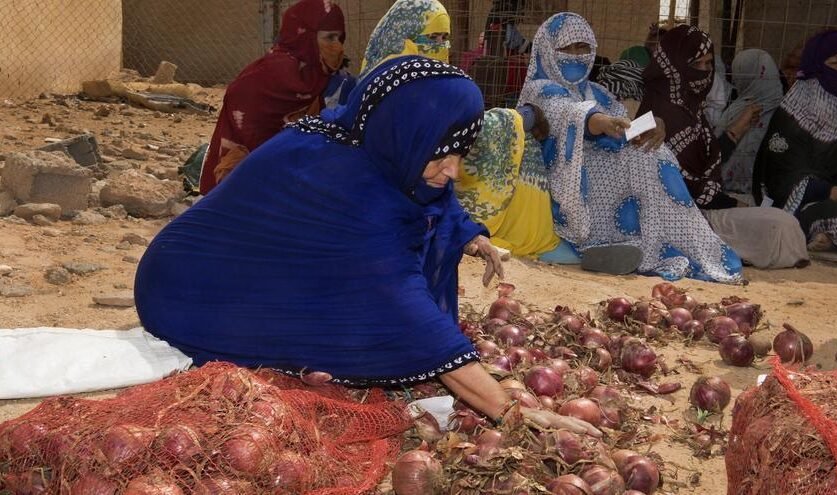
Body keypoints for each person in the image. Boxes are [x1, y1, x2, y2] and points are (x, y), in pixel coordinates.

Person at [134, 56, 600, 436]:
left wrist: (469, 236)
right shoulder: (349, 190)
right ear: (404, 132)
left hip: (251, 274)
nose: (454, 170)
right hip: (190, 294)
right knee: (368, 327)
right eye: (442, 152)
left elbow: (431, 198)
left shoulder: (368, 135)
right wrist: (508, 410)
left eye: (462, 153)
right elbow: (404, 310)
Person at [517, 13, 743, 282]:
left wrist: (653, 124)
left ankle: (664, 244)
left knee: (653, 153)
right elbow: (564, 112)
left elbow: (623, 127)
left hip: (600, 172)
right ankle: (601, 242)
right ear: (547, 50)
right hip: (560, 182)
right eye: (567, 48)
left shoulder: (595, 91)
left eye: (583, 47)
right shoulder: (539, 88)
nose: (576, 56)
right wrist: (599, 121)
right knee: (639, 160)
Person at [356, 0, 568, 263]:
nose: (441, 47)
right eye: (432, 38)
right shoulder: (388, 88)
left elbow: (459, 132)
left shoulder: (435, 82)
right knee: (514, 136)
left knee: (518, 143)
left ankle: (527, 237)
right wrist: (521, 117)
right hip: (394, 197)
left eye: (445, 39)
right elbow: (456, 132)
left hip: (436, 187)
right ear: (401, 38)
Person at [640, 25, 809, 269]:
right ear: (674, 64)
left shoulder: (690, 108)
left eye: (708, 65)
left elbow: (703, 166)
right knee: (779, 226)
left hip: (704, 207)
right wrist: (731, 203)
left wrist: (734, 133)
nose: (704, 73)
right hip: (679, 218)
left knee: (782, 222)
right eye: (696, 64)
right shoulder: (660, 113)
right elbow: (683, 185)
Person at [198, 0, 348, 194]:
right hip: (248, 174)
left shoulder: (325, 79)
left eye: (339, 39)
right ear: (305, 36)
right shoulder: (267, 77)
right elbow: (249, 137)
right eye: (329, 38)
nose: (337, 47)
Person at [754, 30, 837, 256]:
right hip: (801, 208)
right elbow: (781, 182)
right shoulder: (792, 116)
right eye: (834, 62)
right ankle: (823, 233)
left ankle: (831, 239)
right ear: (815, 66)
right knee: (829, 213)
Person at [715, 49, 784, 195]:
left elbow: (712, 156)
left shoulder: (735, 111)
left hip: (724, 193)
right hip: (771, 199)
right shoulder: (789, 112)